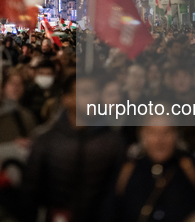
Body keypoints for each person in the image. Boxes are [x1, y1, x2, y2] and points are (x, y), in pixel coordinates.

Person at [23, 73, 125, 221]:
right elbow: (30, 193)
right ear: (67, 99)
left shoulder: (113, 142)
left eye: (96, 92)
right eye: (85, 93)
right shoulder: (47, 141)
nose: (93, 99)